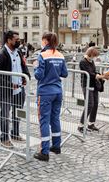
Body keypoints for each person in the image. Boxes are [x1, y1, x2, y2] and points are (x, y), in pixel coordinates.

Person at [0, 31, 30, 148]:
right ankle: (4, 138)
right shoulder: (1, 54)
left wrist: (26, 76)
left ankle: (15, 133)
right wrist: (8, 84)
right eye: (16, 39)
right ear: (9, 40)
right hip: (7, 90)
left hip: (19, 89)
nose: (19, 41)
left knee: (17, 113)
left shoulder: (18, 52)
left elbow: (24, 66)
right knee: (5, 114)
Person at [33, 32, 68, 161]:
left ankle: (44, 151)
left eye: (42, 40)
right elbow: (64, 73)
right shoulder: (60, 55)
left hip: (45, 92)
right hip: (58, 91)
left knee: (44, 121)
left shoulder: (42, 55)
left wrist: (36, 67)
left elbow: (39, 75)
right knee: (55, 119)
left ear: (46, 41)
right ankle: (56, 146)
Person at [78, 47, 103, 132]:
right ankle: (81, 125)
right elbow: (88, 73)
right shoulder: (83, 62)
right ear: (90, 54)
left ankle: (91, 123)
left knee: (95, 103)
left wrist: (100, 75)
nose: (94, 57)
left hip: (94, 84)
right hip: (86, 85)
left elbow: (93, 71)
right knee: (89, 104)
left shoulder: (91, 61)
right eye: (94, 55)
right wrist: (98, 76)